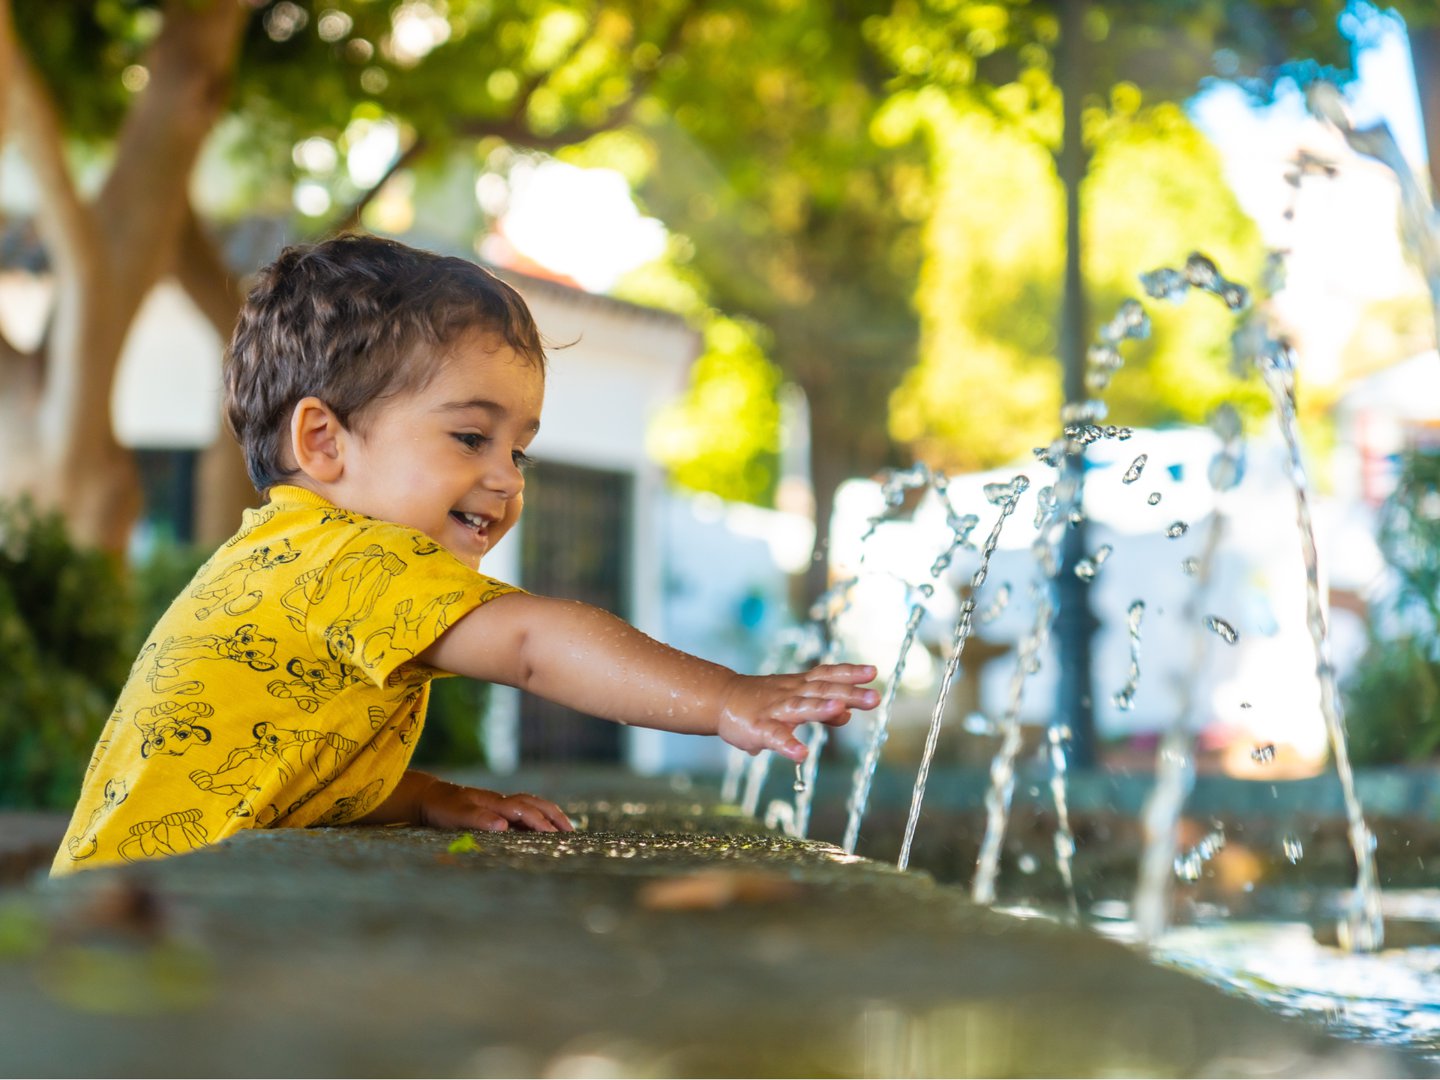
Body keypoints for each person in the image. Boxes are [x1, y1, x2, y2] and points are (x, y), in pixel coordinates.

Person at [52, 234, 877, 875]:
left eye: (519, 451)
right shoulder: (350, 559)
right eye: (470, 437)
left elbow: (274, 764)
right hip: (142, 926)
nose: (505, 478)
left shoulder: (286, 556)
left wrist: (426, 798)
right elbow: (532, 644)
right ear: (323, 441)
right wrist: (726, 696)